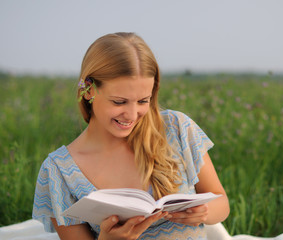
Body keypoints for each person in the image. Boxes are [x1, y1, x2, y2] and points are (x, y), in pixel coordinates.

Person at [32, 32, 229, 240]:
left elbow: (222, 203)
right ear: (89, 90)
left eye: (143, 101)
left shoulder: (177, 128)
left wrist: (204, 211)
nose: (132, 115)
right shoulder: (58, 172)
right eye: (119, 102)